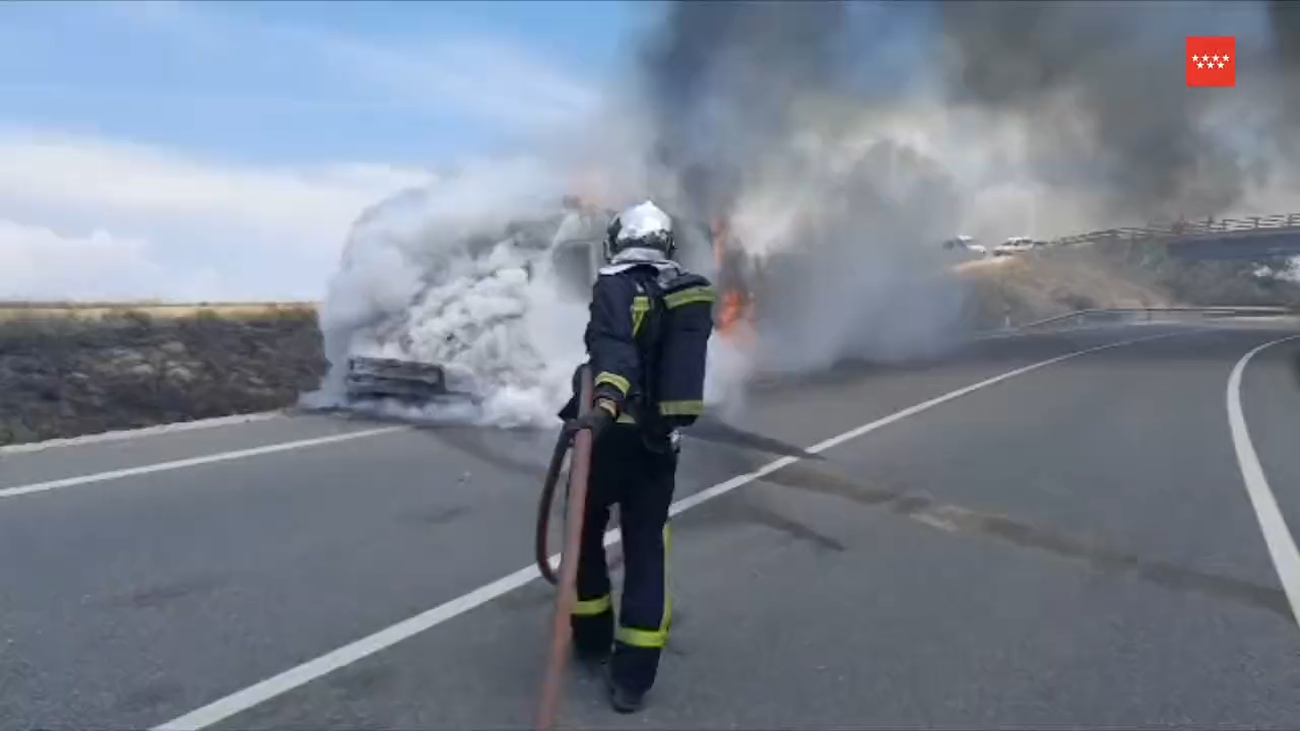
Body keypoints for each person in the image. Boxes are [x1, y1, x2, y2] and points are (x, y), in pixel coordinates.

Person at [558, 199, 715, 714]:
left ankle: (591, 638)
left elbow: (615, 350)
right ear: (666, 244)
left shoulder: (614, 284)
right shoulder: (678, 291)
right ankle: (633, 679)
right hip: (659, 443)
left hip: (609, 440)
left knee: (583, 531)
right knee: (647, 549)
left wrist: (602, 405)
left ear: (617, 240)